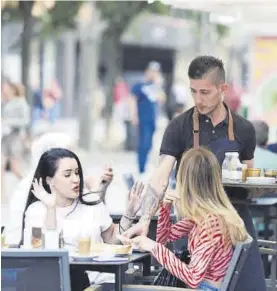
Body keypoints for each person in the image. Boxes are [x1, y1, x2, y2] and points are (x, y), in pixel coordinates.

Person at [124, 56, 266, 291]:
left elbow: (250, 177)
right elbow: (160, 177)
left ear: (223, 89)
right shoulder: (179, 126)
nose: (198, 100)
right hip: (195, 218)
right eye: (193, 92)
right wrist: (145, 218)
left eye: (205, 92)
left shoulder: (244, 129)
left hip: (234, 217)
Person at [120, 148, 250, 291]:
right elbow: (165, 239)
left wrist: (152, 246)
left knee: (122, 287)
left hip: (204, 288)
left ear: (185, 182)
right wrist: (165, 208)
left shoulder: (211, 225)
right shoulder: (206, 215)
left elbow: (193, 278)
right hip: (202, 287)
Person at [21, 148, 144, 291]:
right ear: (49, 180)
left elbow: (111, 237)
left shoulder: (91, 202)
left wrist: (130, 212)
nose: (76, 179)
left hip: (99, 282)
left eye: (77, 173)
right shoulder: (36, 210)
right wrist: (51, 209)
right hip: (56, 282)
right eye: (67, 175)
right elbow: (44, 254)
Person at [5, 132, 112, 245]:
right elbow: (41, 248)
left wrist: (100, 188)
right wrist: (51, 210)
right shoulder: (33, 203)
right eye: (67, 151)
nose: (71, 155)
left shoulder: (72, 184)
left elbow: (95, 212)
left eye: (77, 173)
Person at [129, 61, 165, 174]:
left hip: (153, 119)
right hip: (142, 118)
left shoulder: (156, 86)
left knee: (149, 144)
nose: (153, 73)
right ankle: (141, 168)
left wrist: (158, 85)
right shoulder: (139, 85)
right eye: (152, 71)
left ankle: (144, 166)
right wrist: (133, 115)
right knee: (143, 143)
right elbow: (132, 100)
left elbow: (162, 99)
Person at [1, 82, 30, 181]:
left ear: (12, 90)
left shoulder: (21, 102)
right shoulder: (4, 102)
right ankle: (2, 196)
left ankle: (29, 184)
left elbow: (25, 121)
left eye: (5, 87)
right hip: (5, 138)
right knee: (1, 167)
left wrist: (9, 122)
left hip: (15, 138)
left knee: (15, 168)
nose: (3, 89)